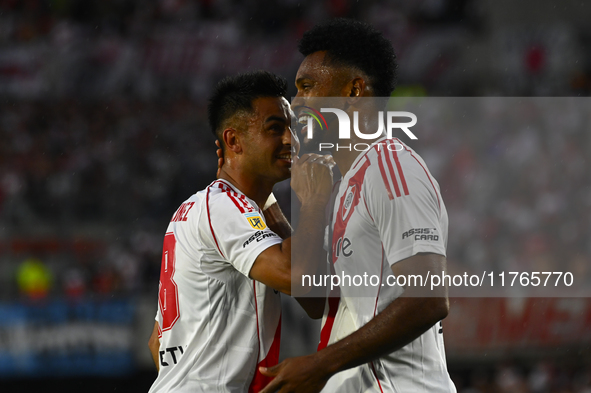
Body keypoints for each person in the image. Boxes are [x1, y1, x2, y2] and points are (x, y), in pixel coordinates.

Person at [259, 19, 456, 392]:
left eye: (307, 87)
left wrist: (320, 364)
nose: (296, 103)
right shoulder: (338, 183)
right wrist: (312, 204)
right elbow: (313, 299)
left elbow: (429, 299)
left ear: (352, 91)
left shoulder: (391, 165)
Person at [147, 70, 334, 393]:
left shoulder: (214, 206)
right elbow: (298, 276)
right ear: (233, 141)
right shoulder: (224, 208)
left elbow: (315, 299)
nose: (292, 140)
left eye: (292, 128)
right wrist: (315, 201)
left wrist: (265, 198)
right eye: (276, 129)